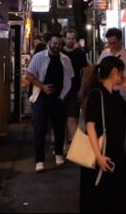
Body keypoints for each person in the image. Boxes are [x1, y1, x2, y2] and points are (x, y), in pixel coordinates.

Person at [79, 56, 126, 213]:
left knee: (116, 194)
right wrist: (98, 156)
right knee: (100, 194)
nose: (123, 76)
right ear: (115, 72)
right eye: (121, 72)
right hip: (100, 151)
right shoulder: (96, 94)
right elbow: (90, 126)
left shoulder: (115, 96)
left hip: (116, 151)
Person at [25, 32, 74, 172]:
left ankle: (59, 154)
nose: (57, 46)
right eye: (54, 43)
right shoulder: (39, 57)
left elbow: (70, 77)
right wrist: (42, 86)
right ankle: (39, 161)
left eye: (59, 44)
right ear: (49, 43)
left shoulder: (65, 59)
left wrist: (66, 94)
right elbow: (29, 74)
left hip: (59, 97)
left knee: (59, 127)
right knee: (40, 128)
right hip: (41, 97)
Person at [63, 28, 90, 143]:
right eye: (68, 38)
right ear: (65, 39)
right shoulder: (60, 52)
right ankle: (63, 145)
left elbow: (85, 72)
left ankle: (76, 145)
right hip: (61, 90)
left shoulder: (80, 53)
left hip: (75, 89)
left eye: (72, 38)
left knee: (72, 117)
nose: (70, 41)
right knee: (62, 118)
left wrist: (82, 89)